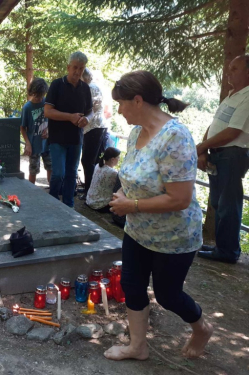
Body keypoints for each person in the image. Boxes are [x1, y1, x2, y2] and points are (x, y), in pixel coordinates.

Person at [105, 71, 212, 361]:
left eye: (121, 103)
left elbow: (180, 198)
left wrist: (132, 205)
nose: (119, 110)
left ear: (138, 101)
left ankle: (201, 327)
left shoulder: (175, 137)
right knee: (132, 286)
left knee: (168, 296)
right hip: (138, 230)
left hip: (173, 237)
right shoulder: (136, 132)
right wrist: (124, 200)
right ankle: (137, 346)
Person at [196, 54, 249, 264]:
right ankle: (222, 246)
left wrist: (201, 147)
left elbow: (233, 132)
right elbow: (214, 125)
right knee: (219, 202)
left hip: (233, 155)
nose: (229, 72)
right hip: (220, 154)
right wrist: (203, 150)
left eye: (234, 69)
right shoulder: (232, 95)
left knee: (228, 203)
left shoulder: (247, 96)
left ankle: (228, 251)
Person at [44, 51, 94, 207]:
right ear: (68, 67)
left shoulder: (85, 88)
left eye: (81, 68)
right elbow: (47, 111)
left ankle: (68, 206)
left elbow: (91, 112)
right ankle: (52, 203)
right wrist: (70, 117)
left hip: (76, 139)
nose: (78, 71)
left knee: (72, 175)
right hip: (58, 138)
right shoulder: (57, 85)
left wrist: (87, 119)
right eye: (75, 67)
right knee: (58, 174)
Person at [80, 68, 108, 199]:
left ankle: (89, 193)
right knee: (93, 161)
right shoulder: (93, 86)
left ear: (83, 77)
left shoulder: (90, 88)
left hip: (94, 127)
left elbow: (85, 107)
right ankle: (92, 191)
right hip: (97, 127)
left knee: (87, 161)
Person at [20, 78, 52, 185]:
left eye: (42, 95)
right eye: (37, 95)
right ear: (32, 93)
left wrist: (48, 130)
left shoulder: (46, 102)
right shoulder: (27, 107)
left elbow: (52, 119)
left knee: (51, 167)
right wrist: (27, 144)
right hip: (34, 144)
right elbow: (22, 128)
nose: (40, 98)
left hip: (47, 143)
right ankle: (31, 192)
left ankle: (52, 192)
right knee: (33, 171)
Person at [85, 147, 120, 212]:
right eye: (118, 158)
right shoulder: (113, 172)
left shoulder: (98, 165)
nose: (119, 159)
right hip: (100, 205)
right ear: (112, 159)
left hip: (89, 200)